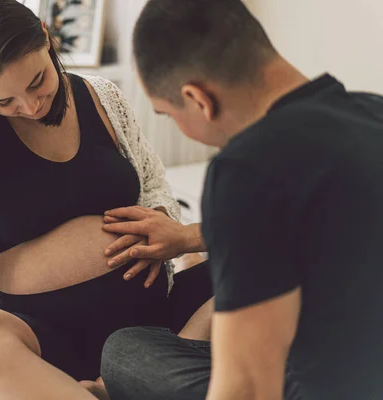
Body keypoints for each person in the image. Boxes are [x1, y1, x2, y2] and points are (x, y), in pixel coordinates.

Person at [0, 0, 213, 399]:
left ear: (44, 34)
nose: (31, 106)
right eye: (5, 102)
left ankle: (129, 378)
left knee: (261, 258)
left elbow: (153, 184)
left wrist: (161, 225)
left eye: (37, 82)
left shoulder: (102, 96)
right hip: (48, 334)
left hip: (155, 322)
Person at [98, 0, 383, 399]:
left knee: (124, 352)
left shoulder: (247, 169)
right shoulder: (373, 111)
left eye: (167, 114)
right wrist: (189, 238)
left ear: (198, 99)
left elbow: (247, 387)